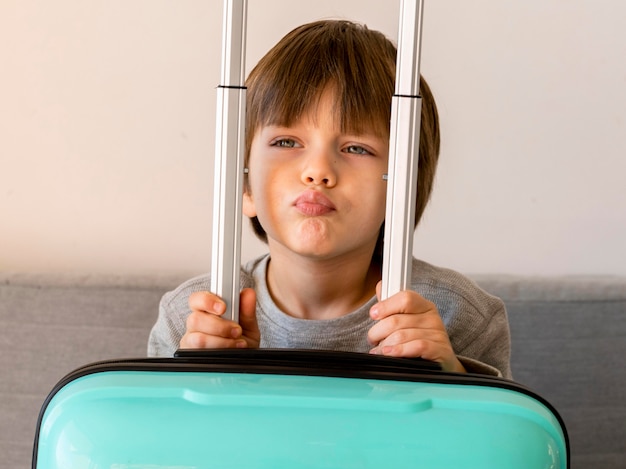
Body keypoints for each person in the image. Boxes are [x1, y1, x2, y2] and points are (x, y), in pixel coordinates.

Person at [148, 19, 512, 378]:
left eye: (356, 148)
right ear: (245, 188)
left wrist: (450, 376)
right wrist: (194, 382)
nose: (318, 171)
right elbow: (152, 435)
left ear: (401, 190)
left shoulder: (459, 315)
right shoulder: (192, 318)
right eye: (287, 142)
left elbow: (504, 436)